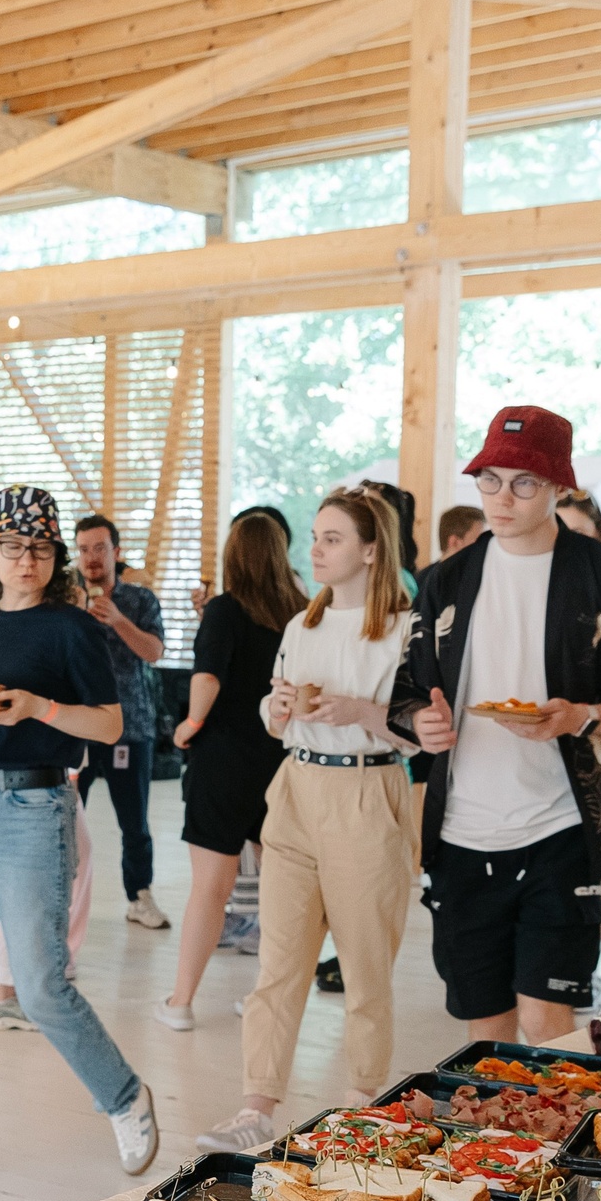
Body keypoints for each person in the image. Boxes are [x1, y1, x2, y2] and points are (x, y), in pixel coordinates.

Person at [390, 406, 601, 1044]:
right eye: (490, 481)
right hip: (461, 835)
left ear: (559, 487)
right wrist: (421, 724)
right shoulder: (443, 583)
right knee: (486, 1031)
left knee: (547, 1022)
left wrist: (584, 716)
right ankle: (498, 1118)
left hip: (561, 829)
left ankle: (554, 1117)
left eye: (524, 483)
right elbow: (404, 695)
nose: (503, 498)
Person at [0, 486, 159, 1180]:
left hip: (35, 808)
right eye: (14, 546)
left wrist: (36, 708)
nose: (27, 559)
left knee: (42, 986)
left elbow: (108, 724)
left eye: (41, 548)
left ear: (56, 556)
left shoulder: (71, 629)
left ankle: (124, 1095)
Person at [196, 489, 415, 1152]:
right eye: (315, 537)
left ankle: (363, 1104)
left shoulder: (405, 629)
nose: (315, 550)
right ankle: (256, 1107)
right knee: (279, 960)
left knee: (365, 966)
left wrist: (361, 712)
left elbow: (418, 734)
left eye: (332, 539)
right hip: (294, 787)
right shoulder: (301, 626)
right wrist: (280, 708)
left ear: (371, 550)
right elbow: (274, 715)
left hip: (367, 790)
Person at [159, 506, 301, 1031]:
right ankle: (264, 996)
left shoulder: (225, 608)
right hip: (279, 759)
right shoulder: (301, 613)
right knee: (278, 889)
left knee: (210, 888)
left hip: (222, 761)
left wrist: (189, 724)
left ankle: (180, 1002)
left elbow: (209, 677)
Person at [71, 513, 169, 930]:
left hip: (130, 728)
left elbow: (154, 652)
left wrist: (117, 620)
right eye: (83, 549)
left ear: (116, 551)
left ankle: (139, 896)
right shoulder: (65, 599)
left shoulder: (140, 600)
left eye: (99, 548)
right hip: (77, 726)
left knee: (134, 822)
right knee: (67, 818)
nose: (91, 557)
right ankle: (63, 899)